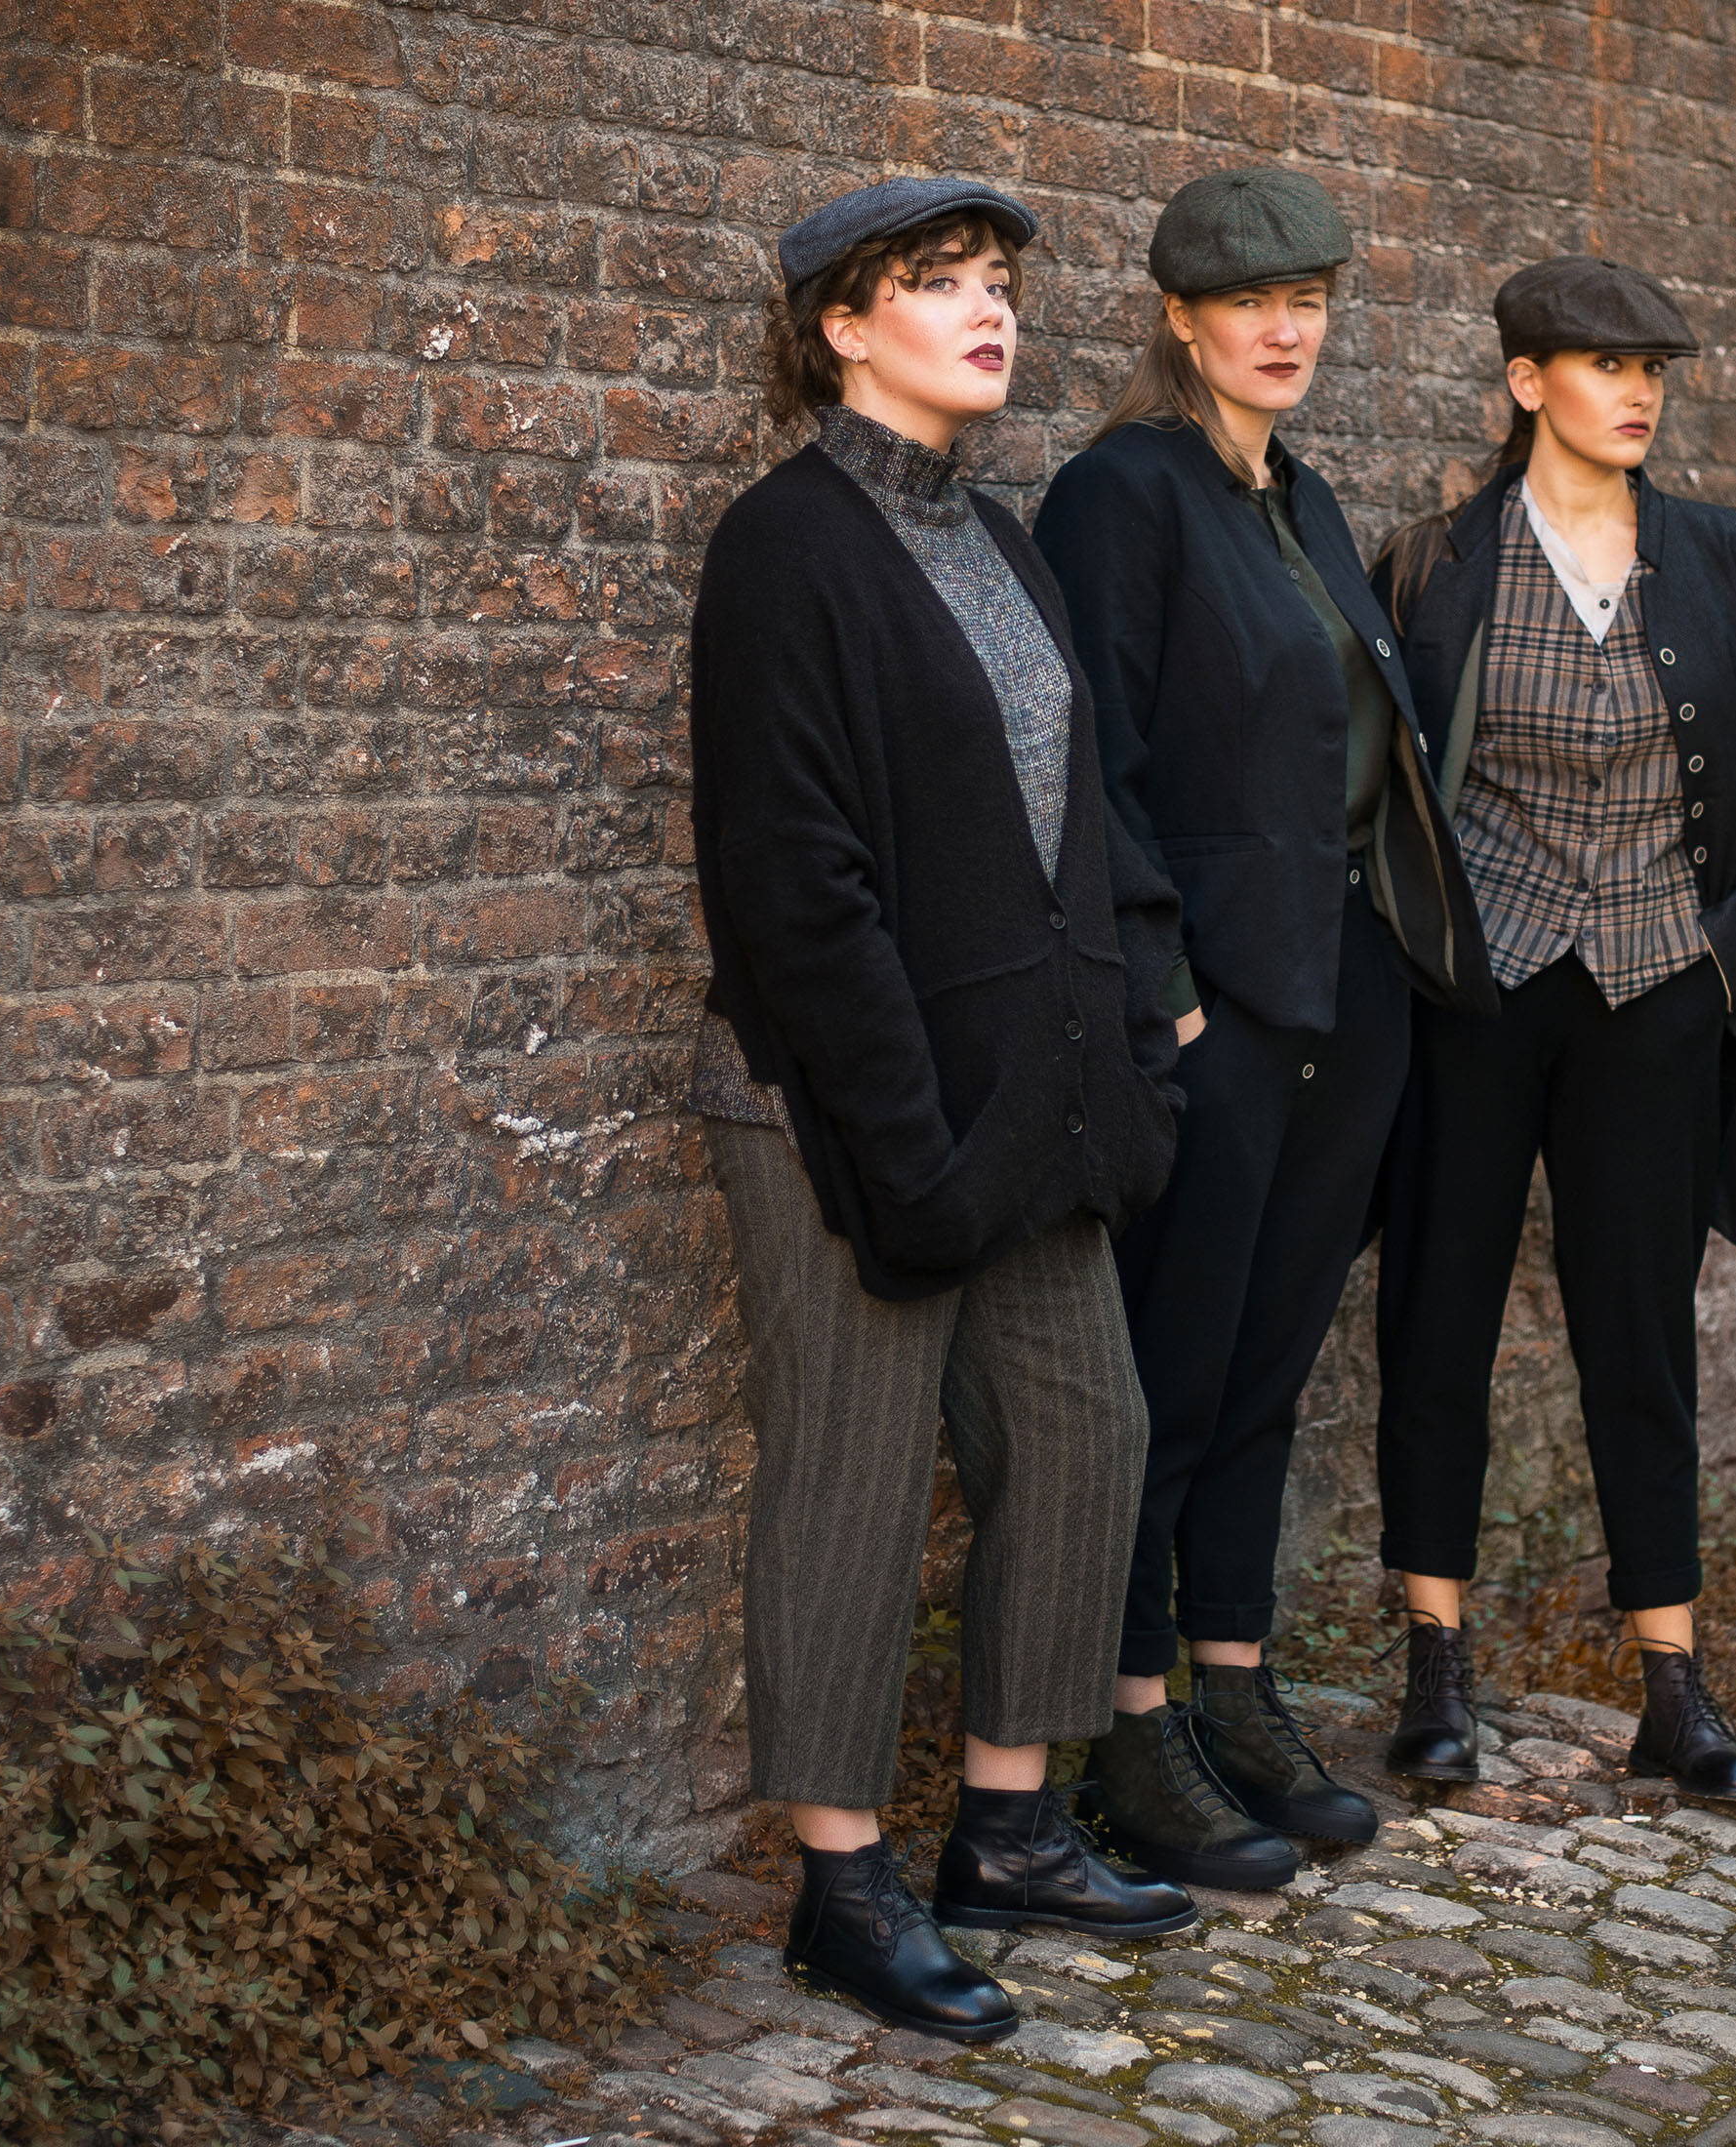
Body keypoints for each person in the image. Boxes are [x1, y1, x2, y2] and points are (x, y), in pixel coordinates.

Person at [687, 176, 1197, 2041]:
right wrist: (895, 1139)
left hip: (1029, 1111)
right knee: (852, 1475)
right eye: (939, 284)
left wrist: (1139, 1039)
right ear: (842, 324)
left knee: (1086, 1440)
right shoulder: (784, 548)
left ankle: (1010, 1830)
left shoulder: (1002, 537)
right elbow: (791, 879)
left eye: (998, 285)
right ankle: (840, 1884)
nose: (988, 311)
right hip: (838, 1112)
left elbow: (1080, 827)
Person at [1034, 169, 1492, 1887]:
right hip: (1214, 1015)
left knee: (1268, 1373)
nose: (1285, 326)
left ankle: (1235, 1686)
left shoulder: (1301, 501)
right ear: (1179, 318)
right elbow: (1098, 777)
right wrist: (1170, 995)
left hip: (1346, 1005)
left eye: (1308, 295)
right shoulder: (1120, 497)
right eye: (1248, 301)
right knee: (1166, 1373)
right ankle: (1129, 1726)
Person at [1368, 257, 1736, 1801]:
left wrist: (1721, 964)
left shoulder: (1722, 558)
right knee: (1439, 1311)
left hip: (1655, 996)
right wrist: (1427, 958)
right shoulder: (1434, 563)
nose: (1638, 392)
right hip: (1483, 992)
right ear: (1525, 383)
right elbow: (1383, 799)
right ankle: (1437, 1665)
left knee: (1639, 1333)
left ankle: (1673, 1684)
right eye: (1602, 365)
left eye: (1656, 371)